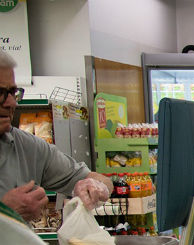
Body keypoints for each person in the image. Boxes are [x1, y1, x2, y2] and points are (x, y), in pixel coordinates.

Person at [0, 50, 111, 222]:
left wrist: (95, 186)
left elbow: (95, 178)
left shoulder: (26, 146)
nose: (11, 102)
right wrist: (5, 213)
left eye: (13, 92)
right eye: (0, 93)